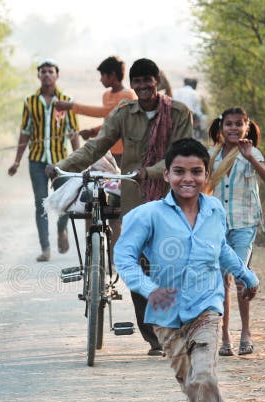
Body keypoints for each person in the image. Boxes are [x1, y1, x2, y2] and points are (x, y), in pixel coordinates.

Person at [113, 137, 259, 402]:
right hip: (166, 318)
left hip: (207, 309)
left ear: (206, 175)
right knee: (195, 390)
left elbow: (221, 249)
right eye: (179, 171)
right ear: (167, 174)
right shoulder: (147, 215)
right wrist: (148, 289)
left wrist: (245, 275)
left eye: (196, 171)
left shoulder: (214, 211)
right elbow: (124, 257)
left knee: (203, 379)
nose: (187, 179)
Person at [46, 58, 193, 357]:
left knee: (170, 263)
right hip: (135, 198)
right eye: (137, 82)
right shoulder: (124, 113)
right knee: (139, 264)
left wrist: (151, 172)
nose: (142, 88)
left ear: (157, 81)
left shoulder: (178, 113)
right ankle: (153, 337)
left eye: (147, 81)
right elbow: (96, 147)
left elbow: (182, 155)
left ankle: (178, 325)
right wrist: (61, 167)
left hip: (171, 197)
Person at [205, 107, 265, 356]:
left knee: (241, 277)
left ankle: (246, 332)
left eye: (238, 124)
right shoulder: (212, 155)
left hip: (245, 224)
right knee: (222, 281)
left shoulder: (252, 153)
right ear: (221, 128)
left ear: (247, 126)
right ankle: (224, 337)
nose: (233, 128)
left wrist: (251, 158)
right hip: (217, 226)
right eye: (228, 124)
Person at [8, 59, 80, 262]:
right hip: (37, 161)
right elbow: (25, 133)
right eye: (43, 72)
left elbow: (74, 133)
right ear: (38, 75)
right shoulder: (30, 102)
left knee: (66, 200)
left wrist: (79, 161)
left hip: (61, 162)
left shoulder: (66, 101)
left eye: (51, 71)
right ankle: (45, 248)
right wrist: (16, 161)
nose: (47, 75)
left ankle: (61, 229)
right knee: (40, 204)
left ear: (57, 75)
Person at [54, 56, 137, 166]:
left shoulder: (128, 95)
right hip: (109, 151)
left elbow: (105, 112)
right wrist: (92, 131)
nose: (100, 79)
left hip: (126, 152)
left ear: (112, 75)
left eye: (102, 75)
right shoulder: (106, 95)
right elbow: (111, 123)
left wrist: (71, 106)